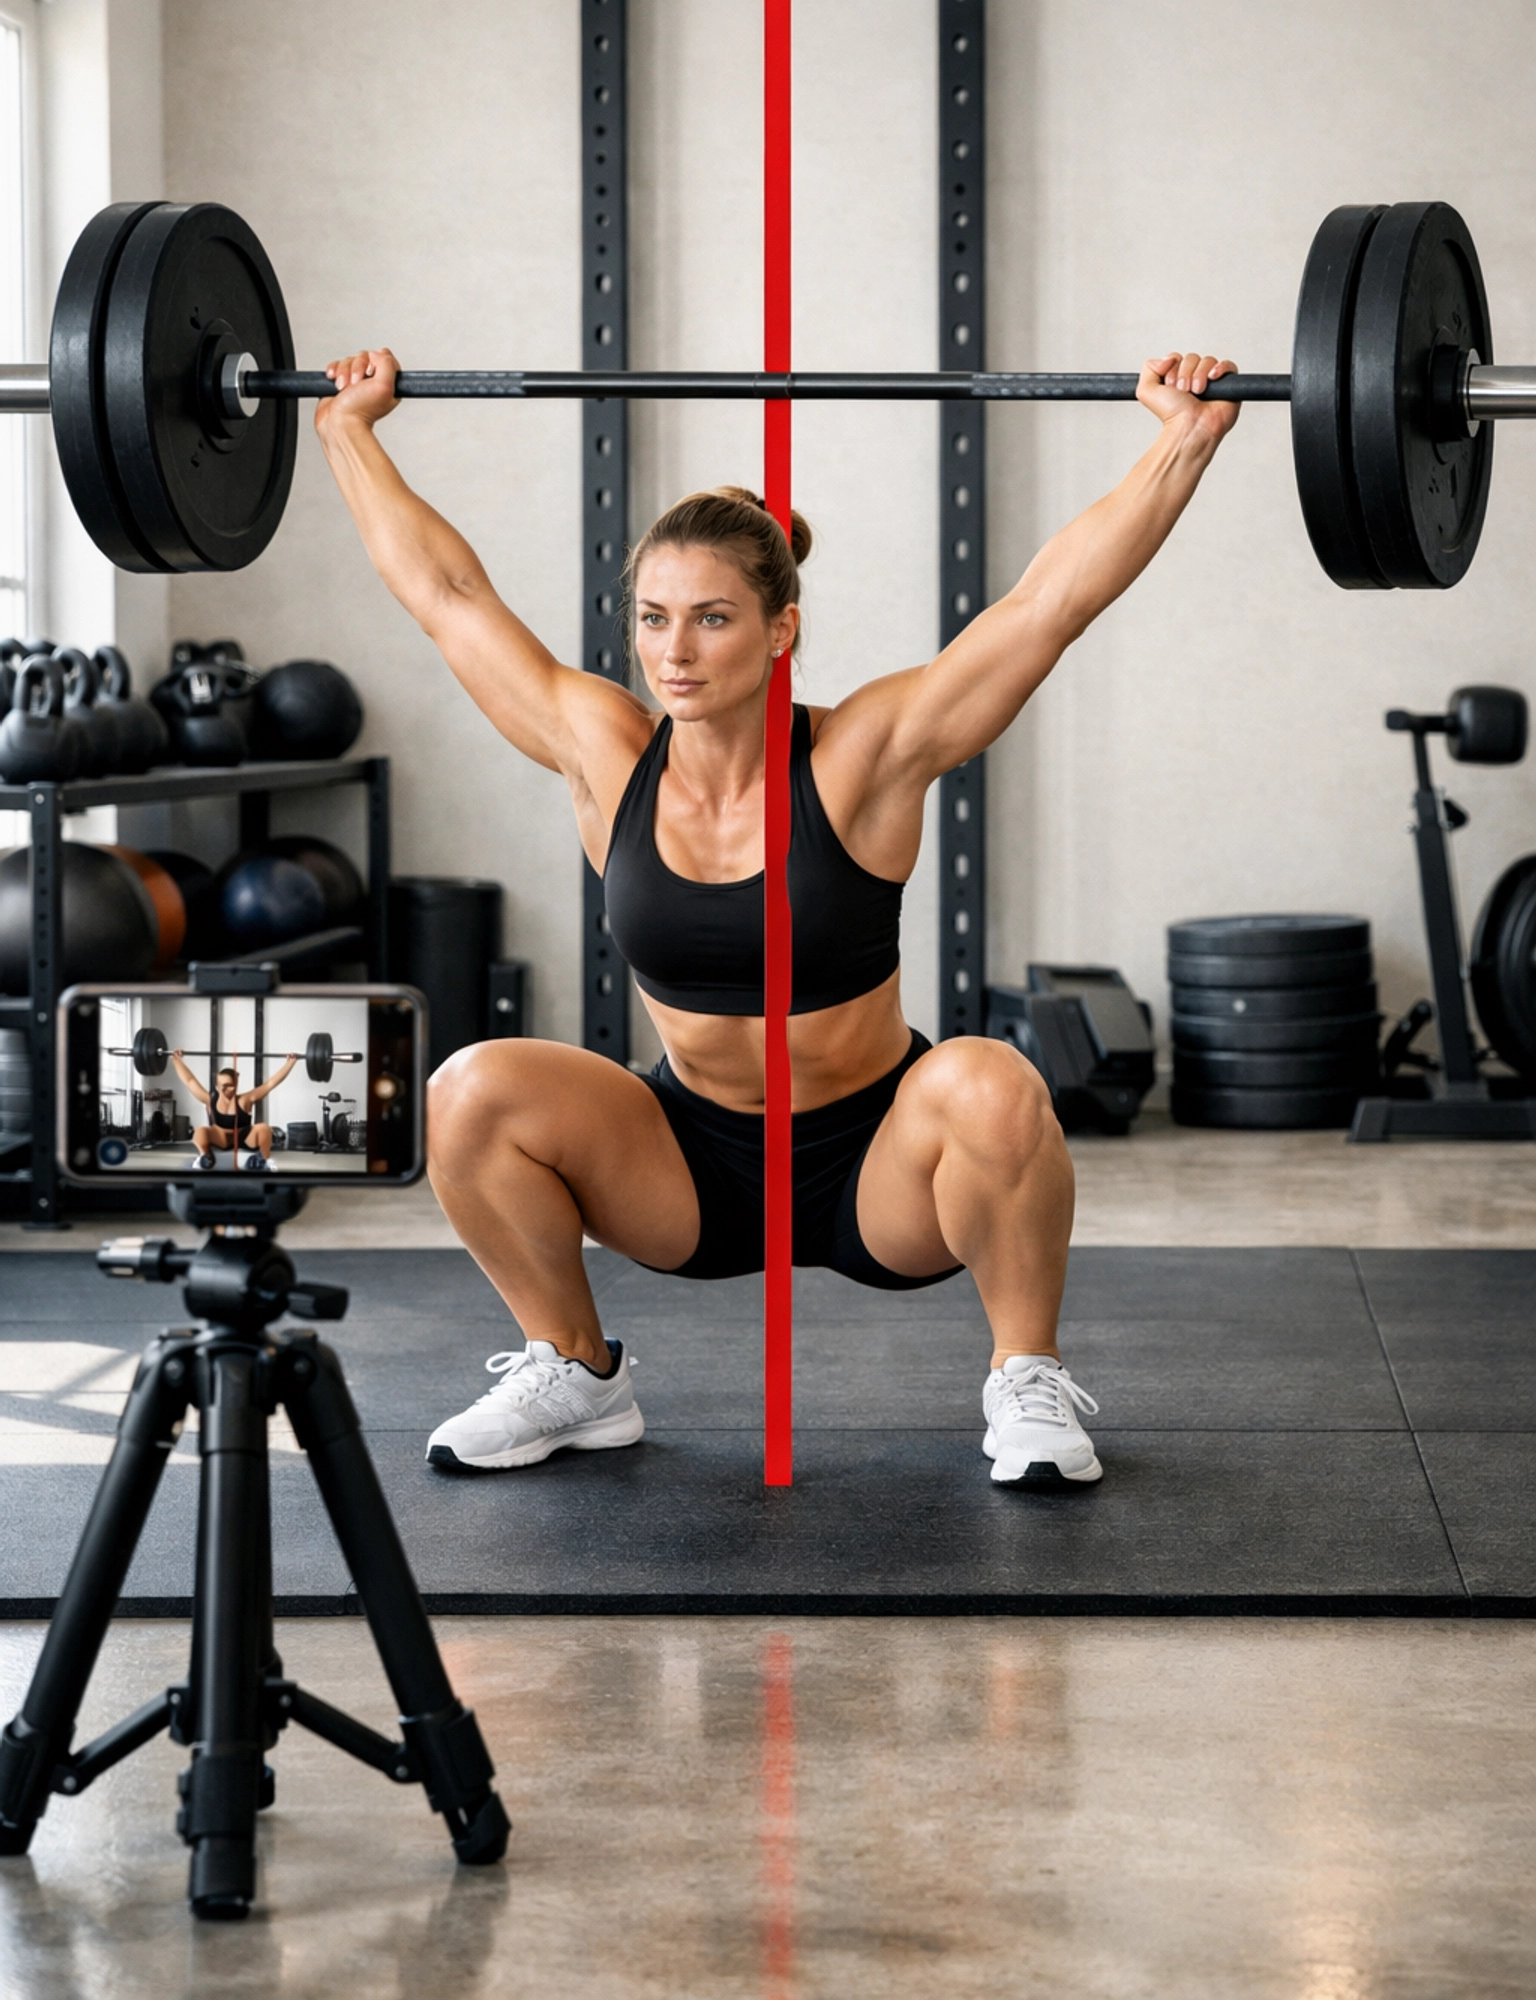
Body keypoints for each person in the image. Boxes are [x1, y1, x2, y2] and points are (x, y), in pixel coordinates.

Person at [315, 347, 1241, 1487]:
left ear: (779, 630)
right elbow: (447, 598)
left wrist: (1183, 439)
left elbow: (1048, 607)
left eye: (711, 619)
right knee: (467, 1092)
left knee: (992, 1081)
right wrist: (347, 432)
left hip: (876, 1167)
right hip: (690, 1167)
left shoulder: (862, 758)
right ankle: (578, 1373)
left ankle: (1026, 1381)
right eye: (654, 620)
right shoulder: (605, 755)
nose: (675, 651)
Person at [170, 1051, 299, 1172]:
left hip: (244, 1138)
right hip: (221, 1138)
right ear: (217, 1087)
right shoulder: (210, 1100)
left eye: (232, 1085)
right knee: (200, 1131)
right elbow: (189, 1081)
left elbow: (270, 1084)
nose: (229, 1089)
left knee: (263, 1128)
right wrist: (176, 1060)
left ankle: (263, 1159)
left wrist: (290, 1063)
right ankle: (205, 1158)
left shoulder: (245, 1100)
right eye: (224, 1086)